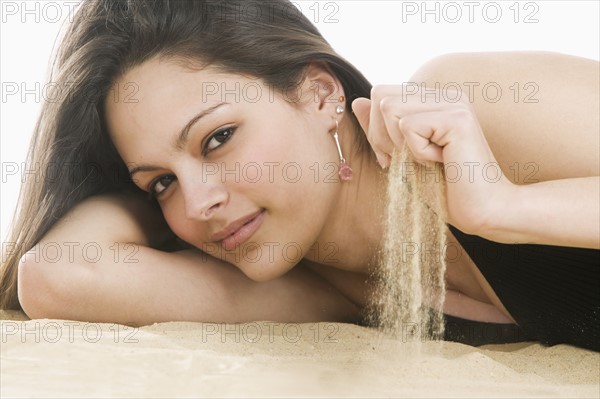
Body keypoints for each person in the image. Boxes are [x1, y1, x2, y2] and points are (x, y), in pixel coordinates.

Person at [1, 0, 598, 351]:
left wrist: (505, 208)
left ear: (318, 93)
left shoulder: (471, 105)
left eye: (217, 138)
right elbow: (62, 272)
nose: (198, 203)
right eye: (160, 184)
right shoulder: (316, 292)